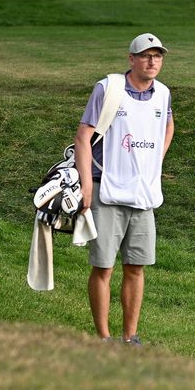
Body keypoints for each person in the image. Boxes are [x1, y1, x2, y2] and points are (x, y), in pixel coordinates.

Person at [74, 33, 175, 346]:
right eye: (145, 55)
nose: (152, 61)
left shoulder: (163, 93)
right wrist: (84, 184)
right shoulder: (109, 88)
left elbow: (168, 126)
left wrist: (154, 162)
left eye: (157, 55)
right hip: (106, 189)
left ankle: (130, 337)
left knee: (136, 267)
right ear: (131, 59)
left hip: (143, 195)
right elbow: (83, 137)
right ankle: (104, 338)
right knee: (103, 266)